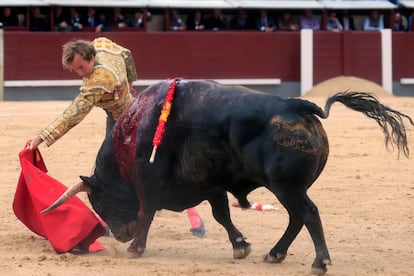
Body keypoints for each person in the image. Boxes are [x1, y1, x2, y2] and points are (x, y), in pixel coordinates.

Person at [25, 37, 205, 238]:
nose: (79, 74)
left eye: (81, 67)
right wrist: (130, 81)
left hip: (129, 123)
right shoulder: (103, 45)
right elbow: (127, 53)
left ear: (91, 57)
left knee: (149, 171)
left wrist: (43, 137)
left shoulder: (99, 80)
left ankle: (194, 217)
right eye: (74, 70)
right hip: (124, 114)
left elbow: (74, 114)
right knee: (115, 167)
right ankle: (109, 219)